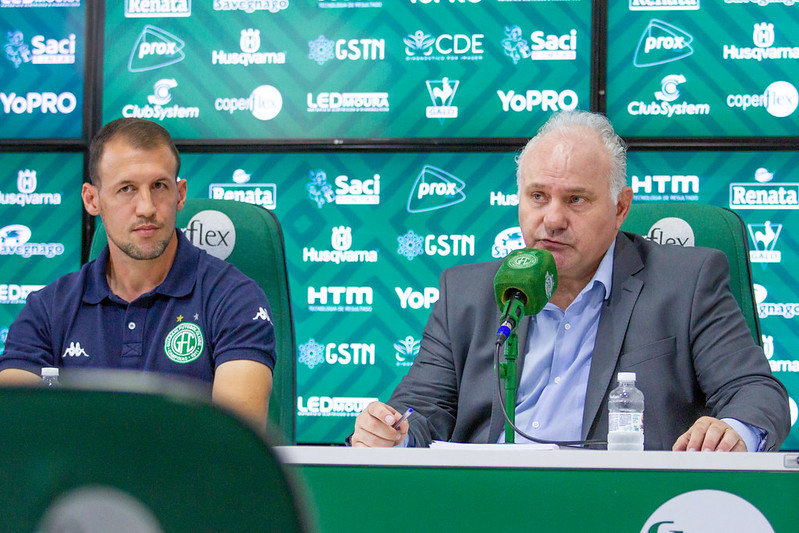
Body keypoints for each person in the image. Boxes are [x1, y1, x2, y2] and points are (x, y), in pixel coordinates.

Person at [352, 110, 789, 451]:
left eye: (576, 199)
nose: (553, 219)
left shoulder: (686, 282)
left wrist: (730, 432)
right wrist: (392, 430)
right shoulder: (465, 293)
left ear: (620, 208)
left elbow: (755, 392)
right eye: (538, 197)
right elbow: (421, 408)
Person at [0, 118, 275, 429]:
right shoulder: (47, 309)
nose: (146, 207)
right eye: (126, 188)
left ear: (180, 194)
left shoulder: (235, 299)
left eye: (159, 186)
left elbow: (235, 445)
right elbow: (14, 433)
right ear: (92, 199)